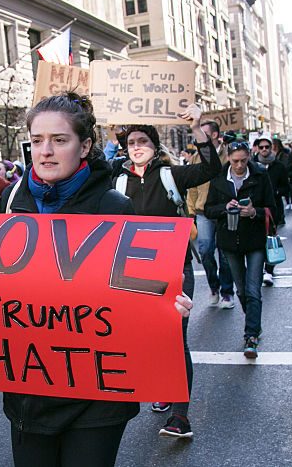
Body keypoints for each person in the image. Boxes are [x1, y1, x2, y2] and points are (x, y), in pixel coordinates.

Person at [0, 92, 194, 466]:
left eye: (59, 140)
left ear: (84, 146)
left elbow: (135, 298)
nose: (46, 151)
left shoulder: (113, 206)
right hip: (28, 393)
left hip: (98, 400)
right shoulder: (8, 204)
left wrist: (167, 306)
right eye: (37, 141)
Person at [109, 106, 221, 439]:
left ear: (155, 146)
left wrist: (196, 126)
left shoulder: (171, 175)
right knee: (146, 337)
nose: (136, 146)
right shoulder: (116, 177)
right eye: (131, 142)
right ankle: (162, 386)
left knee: (174, 338)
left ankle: (180, 416)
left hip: (174, 269)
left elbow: (212, 167)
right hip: (131, 271)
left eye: (143, 140)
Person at [205, 141, 278, 359]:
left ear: (249, 157)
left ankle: (251, 335)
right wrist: (224, 208)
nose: (239, 165)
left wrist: (254, 212)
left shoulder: (260, 175)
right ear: (228, 158)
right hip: (229, 242)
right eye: (235, 161)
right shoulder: (219, 178)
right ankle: (253, 322)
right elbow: (208, 209)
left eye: (243, 161)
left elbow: (274, 209)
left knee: (253, 289)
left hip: (254, 241)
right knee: (242, 290)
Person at [188, 121, 236, 308]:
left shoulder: (228, 154)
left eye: (203, 132)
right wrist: (191, 211)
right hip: (202, 211)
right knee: (205, 251)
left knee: (225, 254)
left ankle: (227, 292)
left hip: (224, 211)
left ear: (214, 135)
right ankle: (213, 287)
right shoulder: (195, 158)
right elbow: (191, 186)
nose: (198, 135)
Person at [252, 137, 289, 286]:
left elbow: (286, 186)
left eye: (267, 147)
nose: (264, 150)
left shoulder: (278, 166)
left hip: (273, 208)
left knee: (271, 239)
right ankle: (259, 269)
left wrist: (277, 192)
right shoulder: (252, 165)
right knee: (257, 240)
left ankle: (269, 270)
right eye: (261, 147)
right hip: (256, 208)